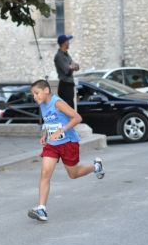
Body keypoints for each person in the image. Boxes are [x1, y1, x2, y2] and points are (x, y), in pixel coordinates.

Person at [28, 79, 105, 222]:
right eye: (33, 95)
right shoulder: (43, 104)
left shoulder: (57, 103)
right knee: (45, 173)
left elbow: (77, 117)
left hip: (69, 142)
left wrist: (61, 130)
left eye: (36, 93)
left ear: (46, 91)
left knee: (73, 174)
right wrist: (45, 135)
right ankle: (41, 209)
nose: (35, 97)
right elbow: (48, 122)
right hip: (52, 144)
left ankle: (96, 166)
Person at [54, 34, 80, 108]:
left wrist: (72, 66)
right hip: (65, 86)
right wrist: (71, 67)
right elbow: (67, 72)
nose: (69, 42)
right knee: (68, 110)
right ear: (64, 43)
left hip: (69, 86)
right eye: (67, 41)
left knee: (70, 109)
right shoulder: (59, 56)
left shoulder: (66, 55)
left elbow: (77, 66)